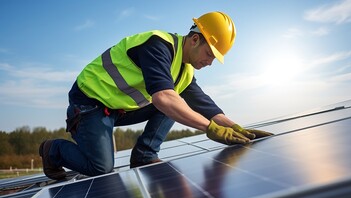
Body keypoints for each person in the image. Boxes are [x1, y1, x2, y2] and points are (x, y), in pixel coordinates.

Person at [39, 11, 273, 180]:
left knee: (178, 100)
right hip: (89, 104)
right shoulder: (158, 45)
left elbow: (205, 105)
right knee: (101, 168)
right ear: (194, 39)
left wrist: (236, 128)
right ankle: (54, 150)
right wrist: (210, 129)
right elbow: (163, 99)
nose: (210, 62)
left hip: (118, 109)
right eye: (210, 54)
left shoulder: (185, 70)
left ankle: (144, 155)